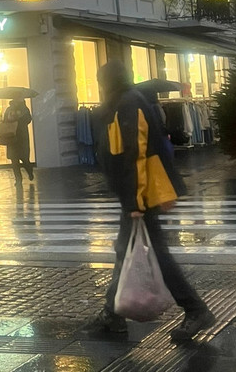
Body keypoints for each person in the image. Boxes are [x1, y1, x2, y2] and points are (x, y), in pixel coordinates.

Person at [88, 61, 215, 342]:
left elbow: (136, 151)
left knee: (154, 252)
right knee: (125, 249)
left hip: (142, 193)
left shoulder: (128, 103)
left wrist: (134, 201)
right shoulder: (122, 102)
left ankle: (195, 310)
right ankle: (113, 313)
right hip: (135, 192)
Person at [1, 95, 34, 185]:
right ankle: (18, 179)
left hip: (22, 137)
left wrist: (19, 118)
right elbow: (5, 120)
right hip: (11, 137)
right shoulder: (9, 109)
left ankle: (30, 172)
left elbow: (28, 119)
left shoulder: (24, 109)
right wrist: (10, 118)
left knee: (24, 159)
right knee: (14, 160)